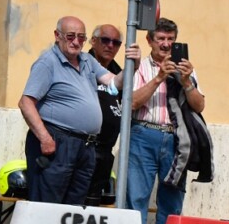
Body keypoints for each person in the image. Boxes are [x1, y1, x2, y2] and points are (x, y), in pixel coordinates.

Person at [18, 16, 139, 204]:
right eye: (70, 36)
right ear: (57, 35)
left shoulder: (87, 60)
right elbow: (26, 103)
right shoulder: (47, 63)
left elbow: (114, 84)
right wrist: (45, 138)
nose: (76, 42)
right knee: (48, 205)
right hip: (58, 141)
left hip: (85, 146)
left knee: (73, 209)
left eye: (81, 37)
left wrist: (133, 65)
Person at [127, 17, 208, 224]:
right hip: (143, 134)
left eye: (170, 39)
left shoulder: (185, 69)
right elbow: (132, 102)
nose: (166, 44)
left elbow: (199, 106)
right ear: (149, 40)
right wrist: (159, 77)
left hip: (176, 138)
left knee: (172, 203)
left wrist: (187, 82)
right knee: (136, 198)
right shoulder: (139, 67)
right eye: (161, 39)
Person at [84, 24, 124, 206]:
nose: (110, 46)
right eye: (105, 40)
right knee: (72, 203)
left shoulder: (119, 73)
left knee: (93, 205)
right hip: (83, 147)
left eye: (116, 42)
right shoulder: (81, 65)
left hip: (105, 152)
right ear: (93, 41)